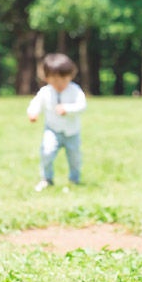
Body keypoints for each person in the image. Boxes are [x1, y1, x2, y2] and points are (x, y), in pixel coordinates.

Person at [27, 53, 87, 192]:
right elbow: (36, 103)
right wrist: (33, 113)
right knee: (47, 152)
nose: (59, 84)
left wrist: (67, 108)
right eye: (55, 80)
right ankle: (47, 179)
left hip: (72, 132)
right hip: (52, 130)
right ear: (46, 78)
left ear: (71, 76)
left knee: (75, 157)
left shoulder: (75, 90)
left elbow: (82, 105)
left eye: (63, 80)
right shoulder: (45, 92)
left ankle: (74, 179)